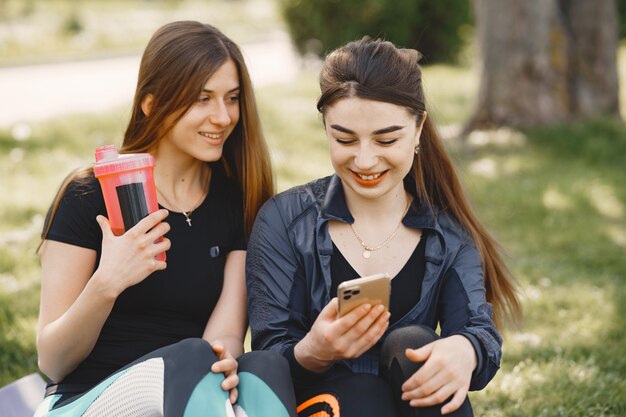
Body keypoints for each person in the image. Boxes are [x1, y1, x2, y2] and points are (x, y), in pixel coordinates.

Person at [246, 37, 522, 417]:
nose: (364, 159)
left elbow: (481, 332)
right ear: (325, 126)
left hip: (411, 400)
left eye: (386, 139)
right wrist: (315, 350)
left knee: (415, 345)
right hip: (319, 403)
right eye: (344, 138)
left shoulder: (448, 235)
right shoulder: (284, 220)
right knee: (362, 392)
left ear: (419, 127)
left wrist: (465, 350)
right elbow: (266, 360)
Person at [34, 21, 297, 417]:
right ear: (151, 103)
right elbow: (52, 361)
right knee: (193, 359)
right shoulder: (89, 194)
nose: (223, 116)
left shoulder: (238, 201)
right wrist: (108, 281)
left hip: (194, 394)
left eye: (232, 98)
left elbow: (224, 335)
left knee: (264, 367)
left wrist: (224, 362)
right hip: (85, 401)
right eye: (203, 99)